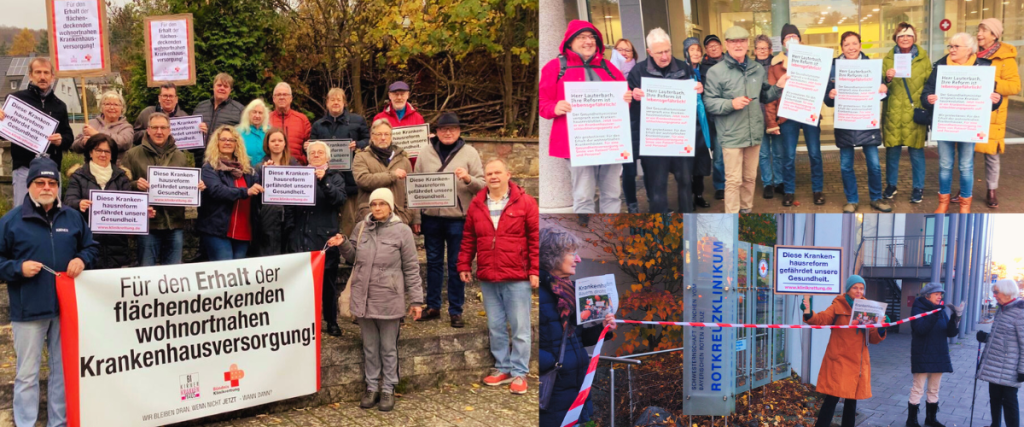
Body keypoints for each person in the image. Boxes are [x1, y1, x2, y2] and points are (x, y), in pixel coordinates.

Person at [0, 157, 98, 427]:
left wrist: (82, 259)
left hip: (65, 309)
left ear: (58, 186)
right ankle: (25, 423)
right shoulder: (11, 221)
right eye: (40, 182)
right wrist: (18, 267)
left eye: (52, 182)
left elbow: (90, 247)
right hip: (29, 309)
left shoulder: (72, 217)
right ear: (30, 185)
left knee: (62, 372)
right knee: (27, 375)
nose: (46, 187)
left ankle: (59, 422)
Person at [337, 188, 423, 413]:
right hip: (363, 297)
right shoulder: (361, 227)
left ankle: (388, 387)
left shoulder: (402, 231)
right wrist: (344, 243)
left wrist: (416, 300)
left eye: (382, 204)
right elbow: (353, 257)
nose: (376, 208)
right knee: (369, 347)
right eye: (373, 204)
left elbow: (412, 268)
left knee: (388, 347)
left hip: (388, 298)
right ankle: (372, 386)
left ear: (391, 206)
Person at [457, 158, 538, 394]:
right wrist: (464, 264)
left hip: (517, 276)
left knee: (521, 328)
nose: (493, 176)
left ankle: (520, 373)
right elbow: (469, 238)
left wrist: (534, 270)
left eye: (497, 172)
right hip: (488, 276)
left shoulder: (526, 203)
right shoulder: (477, 203)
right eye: (489, 173)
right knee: (495, 326)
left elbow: (535, 239)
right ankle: (502, 368)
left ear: (508, 174)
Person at [539, 20, 629, 214]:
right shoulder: (555, 67)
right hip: (577, 144)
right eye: (582, 37)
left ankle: (610, 235)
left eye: (592, 37)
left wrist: (627, 97)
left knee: (612, 194)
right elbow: (542, 103)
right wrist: (555, 107)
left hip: (609, 142)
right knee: (583, 197)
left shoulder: (609, 68)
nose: (588, 41)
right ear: (570, 42)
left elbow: (624, 97)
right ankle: (586, 240)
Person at [704, 26, 787, 213]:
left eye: (742, 40)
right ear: (726, 44)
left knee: (749, 178)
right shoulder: (716, 72)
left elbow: (765, 96)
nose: (738, 44)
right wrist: (730, 104)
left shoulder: (757, 69)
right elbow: (709, 103)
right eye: (733, 41)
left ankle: (746, 210)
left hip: (753, 133)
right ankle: (732, 217)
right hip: (731, 134)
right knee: (733, 181)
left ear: (748, 43)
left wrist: (778, 87)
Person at [412, 112, 485, 328]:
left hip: (458, 219)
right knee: (433, 263)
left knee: (457, 265)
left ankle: (456, 310)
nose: (448, 132)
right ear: (436, 132)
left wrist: (468, 178)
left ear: (459, 131)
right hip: (431, 218)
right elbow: (415, 187)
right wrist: (417, 216)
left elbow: (482, 186)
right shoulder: (425, 152)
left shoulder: (470, 152)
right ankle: (433, 306)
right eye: (444, 129)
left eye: (452, 129)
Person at [539, 227, 616, 426]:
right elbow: (518, 340)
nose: (579, 259)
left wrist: (603, 328)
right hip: (552, 393)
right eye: (572, 253)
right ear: (552, 256)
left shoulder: (570, 292)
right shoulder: (534, 293)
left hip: (576, 392)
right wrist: (554, 362)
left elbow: (578, 338)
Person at [922, 32, 1002, 213]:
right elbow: (925, 93)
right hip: (946, 124)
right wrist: (929, 98)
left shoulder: (983, 68)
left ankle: (965, 205)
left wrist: (995, 100)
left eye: (956, 46)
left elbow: (991, 98)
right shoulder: (940, 67)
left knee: (966, 166)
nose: (952, 49)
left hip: (969, 126)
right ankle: (943, 202)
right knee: (944, 165)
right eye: (950, 46)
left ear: (969, 50)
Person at [627, 28, 705, 214]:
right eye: (659, 52)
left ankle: (687, 219)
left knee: (686, 181)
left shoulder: (684, 67)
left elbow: (694, 100)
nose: (664, 56)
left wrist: (699, 90)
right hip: (654, 141)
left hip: (680, 137)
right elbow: (628, 108)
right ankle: (660, 226)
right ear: (649, 52)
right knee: (657, 186)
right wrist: (632, 96)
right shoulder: (637, 72)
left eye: (667, 51)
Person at [803, 275, 887, 427]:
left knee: (851, 402)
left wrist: (881, 328)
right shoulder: (838, 305)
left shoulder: (869, 308)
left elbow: (873, 338)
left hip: (857, 363)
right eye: (855, 287)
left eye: (861, 288)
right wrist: (809, 313)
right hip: (840, 360)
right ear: (848, 289)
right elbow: (822, 319)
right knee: (832, 399)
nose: (858, 291)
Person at [121, 113, 205, 266]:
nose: (159, 131)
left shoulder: (180, 156)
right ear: (148, 130)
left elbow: (186, 186)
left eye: (163, 127)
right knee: (146, 272)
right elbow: (122, 186)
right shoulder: (132, 155)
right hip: (148, 225)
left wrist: (196, 186)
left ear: (169, 130)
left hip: (175, 224)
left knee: (173, 275)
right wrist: (134, 184)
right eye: (155, 127)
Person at [824, 32, 891, 213]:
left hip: (866, 122)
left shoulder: (871, 66)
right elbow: (827, 99)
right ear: (842, 47)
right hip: (846, 122)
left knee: (874, 165)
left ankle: (876, 198)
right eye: (847, 44)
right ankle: (852, 200)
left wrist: (884, 88)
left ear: (860, 45)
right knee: (846, 165)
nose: (851, 48)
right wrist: (830, 96)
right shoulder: (834, 68)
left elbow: (884, 94)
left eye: (854, 44)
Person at [285, 140, 346, 336]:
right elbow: (288, 203)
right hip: (301, 236)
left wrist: (324, 181)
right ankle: (303, 324)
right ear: (308, 157)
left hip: (325, 239)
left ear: (328, 157)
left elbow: (339, 199)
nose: (317, 155)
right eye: (313, 153)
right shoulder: (298, 176)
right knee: (301, 285)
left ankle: (330, 321)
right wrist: (290, 230)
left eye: (321, 153)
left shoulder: (335, 177)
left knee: (328, 284)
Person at [64, 134, 151, 269]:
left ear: (112, 155)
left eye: (107, 151)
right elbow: (68, 201)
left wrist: (142, 212)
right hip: (87, 242)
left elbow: (128, 204)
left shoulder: (121, 177)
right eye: (98, 150)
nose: (103, 154)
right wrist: (79, 203)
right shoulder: (78, 176)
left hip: (117, 245)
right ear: (90, 153)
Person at [0, 58, 73, 209]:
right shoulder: (16, 100)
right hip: (24, 169)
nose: (42, 76)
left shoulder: (60, 105)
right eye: (38, 72)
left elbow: (68, 136)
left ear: (52, 76)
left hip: (52, 168)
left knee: (52, 214)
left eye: (46, 72)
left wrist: (61, 140)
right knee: (22, 213)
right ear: (30, 75)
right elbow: (3, 134)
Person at [767, 23, 825, 207]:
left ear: (800, 40)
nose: (791, 40)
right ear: (783, 42)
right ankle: (789, 191)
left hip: (809, 112)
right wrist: (771, 121)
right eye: (787, 37)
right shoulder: (775, 65)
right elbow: (771, 95)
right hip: (788, 115)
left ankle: (818, 190)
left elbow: (821, 84)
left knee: (815, 154)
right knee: (789, 156)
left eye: (794, 36)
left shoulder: (813, 59)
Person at [881, 23, 931, 205]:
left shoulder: (923, 59)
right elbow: (880, 87)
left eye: (908, 35)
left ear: (914, 38)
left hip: (914, 113)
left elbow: (929, 85)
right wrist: (887, 79)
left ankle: (918, 188)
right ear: (895, 38)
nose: (905, 38)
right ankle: (891, 185)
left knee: (917, 154)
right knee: (892, 153)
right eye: (901, 35)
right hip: (893, 112)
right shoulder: (888, 59)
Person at [310, 88, 371, 236]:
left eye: (339, 99)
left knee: (350, 220)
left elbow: (369, 140)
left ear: (344, 102)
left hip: (350, 178)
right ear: (327, 103)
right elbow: (312, 148)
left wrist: (358, 145)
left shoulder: (357, 121)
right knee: (326, 219)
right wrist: (308, 145)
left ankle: (351, 254)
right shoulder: (318, 125)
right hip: (325, 181)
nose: (335, 102)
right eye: (332, 99)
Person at [198, 126, 263, 260]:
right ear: (216, 143)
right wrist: (246, 192)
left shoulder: (246, 169)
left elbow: (259, 186)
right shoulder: (210, 168)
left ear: (236, 144)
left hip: (244, 229)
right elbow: (217, 191)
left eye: (231, 140)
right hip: (218, 230)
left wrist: (268, 170)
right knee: (224, 272)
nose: (227, 142)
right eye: (223, 139)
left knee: (238, 276)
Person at [974, 19, 1020, 209]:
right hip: (972, 109)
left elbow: (1015, 86)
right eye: (978, 30)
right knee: (968, 152)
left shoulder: (1006, 59)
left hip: (994, 111)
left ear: (994, 35)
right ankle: (966, 188)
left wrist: (990, 83)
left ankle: (991, 190)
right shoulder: (971, 54)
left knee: (992, 153)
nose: (979, 34)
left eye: (984, 30)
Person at [906, 283, 964, 427]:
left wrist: (955, 318)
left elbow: (950, 333)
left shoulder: (940, 310)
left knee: (934, 389)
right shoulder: (918, 308)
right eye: (937, 294)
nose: (940, 296)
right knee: (917, 389)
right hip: (923, 355)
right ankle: (911, 421)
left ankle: (931, 419)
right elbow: (920, 329)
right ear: (928, 295)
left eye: (941, 294)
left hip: (939, 355)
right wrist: (935, 314)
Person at [976, 279, 1024, 427]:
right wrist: (986, 338)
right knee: (994, 398)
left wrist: (1022, 369)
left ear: (1008, 292)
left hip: (1010, 368)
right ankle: (994, 425)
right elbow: (1003, 337)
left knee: (1009, 402)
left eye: (996, 292)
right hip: (995, 364)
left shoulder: (1020, 313)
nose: (994, 295)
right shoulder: (1001, 309)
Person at [352, 119, 413, 224]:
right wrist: (392, 175)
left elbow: (412, 191)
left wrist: (410, 217)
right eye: (379, 134)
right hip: (369, 217)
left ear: (391, 136)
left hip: (399, 218)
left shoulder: (403, 159)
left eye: (386, 134)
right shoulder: (361, 157)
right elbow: (363, 180)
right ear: (372, 136)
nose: (383, 138)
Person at [251, 128, 298, 257]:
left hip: (291, 215)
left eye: (280, 140)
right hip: (268, 216)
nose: (276, 143)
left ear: (285, 143)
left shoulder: (295, 165)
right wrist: (266, 173)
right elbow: (256, 194)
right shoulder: (259, 167)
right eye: (273, 141)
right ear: (267, 144)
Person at [684, 37, 714, 209]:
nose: (695, 53)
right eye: (691, 50)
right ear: (686, 52)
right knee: (687, 161)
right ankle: (687, 195)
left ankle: (699, 194)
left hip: (703, 122)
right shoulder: (680, 71)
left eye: (698, 50)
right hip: (686, 122)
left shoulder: (705, 71)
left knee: (701, 160)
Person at [754, 34, 783, 199]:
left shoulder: (777, 66)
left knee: (778, 152)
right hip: (758, 114)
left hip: (775, 115)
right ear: (755, 50)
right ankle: (767, 184)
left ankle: (779, 181)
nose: (762, 51)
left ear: (771, 50)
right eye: (759, 48)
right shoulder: (750, 68)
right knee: (763, 153)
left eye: (765, 48)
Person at [191, 72, 245, 158]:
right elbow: (191, 138)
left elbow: (242, 139)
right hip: (201, 160)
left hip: (225, 162)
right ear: (213, 87)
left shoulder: (239, 110)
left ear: (230, 90)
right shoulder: (200, 107)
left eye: (226, 86)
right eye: (219, 85)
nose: (222, 88)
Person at [701, 34, 726, 200]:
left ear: (721, 47)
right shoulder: (702, 68)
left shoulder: (731, 64)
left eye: (716, 45)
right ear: (706, 50)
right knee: (718, 156)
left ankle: (735, 184)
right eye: (710, 46)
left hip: (732, 114)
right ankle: (720, 185)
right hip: (713, 117)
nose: (714, 47)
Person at [72, 90, 133, 156]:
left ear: (122, 108)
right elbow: (74, 146)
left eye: (116, 104)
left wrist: (97, 135)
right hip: (91, 164)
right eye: (107, 104)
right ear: (101, 107)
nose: (112, 107)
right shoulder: (91, 123)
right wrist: (83, 142)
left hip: (116, 165)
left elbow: (123, 143)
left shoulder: (126, 127)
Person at [269, 82, 312, 165]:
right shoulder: (266, 119)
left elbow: (311, 144)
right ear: (273, 99)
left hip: (297, 168)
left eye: (285, 94)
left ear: (291, 98)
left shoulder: (302, 119)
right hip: (273, 167)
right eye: (278, 95)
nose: (281, 97)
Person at [238, 99, 271, 167]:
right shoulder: (238, 132)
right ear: (248, 114)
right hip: (245, 172)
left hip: (266, 172)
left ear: (264, 115)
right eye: (254, 112)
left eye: (260, 113)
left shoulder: (270, 132)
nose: (257, 116)